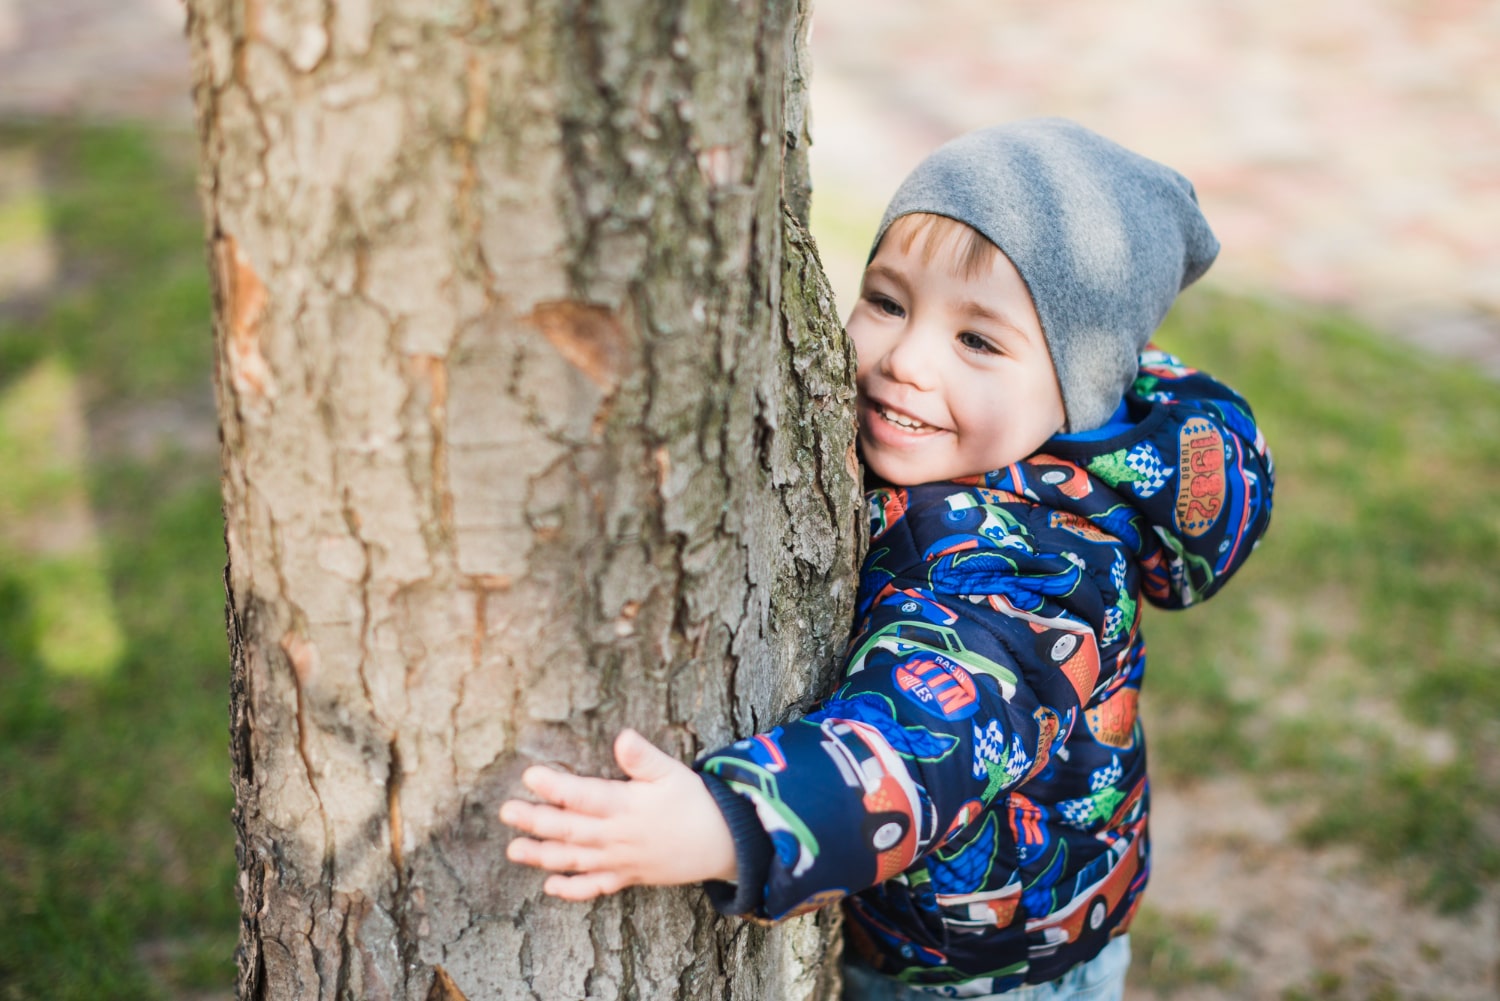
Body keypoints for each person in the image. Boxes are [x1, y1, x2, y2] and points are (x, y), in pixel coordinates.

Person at [499, 118, 1274, 999]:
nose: (905, 359)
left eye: (978, 341)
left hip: (983, 980)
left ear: (1077, 390)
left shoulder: (1027, 574)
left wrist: (733, 825)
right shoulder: (1001, 445)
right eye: (888, 301)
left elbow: (921, 742)